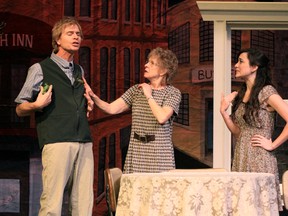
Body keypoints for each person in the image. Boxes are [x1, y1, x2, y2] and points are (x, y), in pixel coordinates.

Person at [15, 17, 94, 215]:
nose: (76, 37)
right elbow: (19, 108)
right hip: (57, 140)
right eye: (70, 33)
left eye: (78, 34)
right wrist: (36, 104)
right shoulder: (41, 68)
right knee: (52, 201)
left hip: (83, 140)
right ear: (58, 39)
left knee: (83, 203)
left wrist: (87, 103)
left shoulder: (79, 70)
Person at [84, 47, 181, 174]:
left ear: (163, 71)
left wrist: (149, 95)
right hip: (137, 150)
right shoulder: (136, 90)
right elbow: (111, 108)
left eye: (152, 63)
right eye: (147, 61)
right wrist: (93, 96)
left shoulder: (172, 93)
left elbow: (162, 117)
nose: (146, 65)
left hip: (159, 152)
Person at [220, 48, 288, 211]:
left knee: (259, 207)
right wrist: (223, 112)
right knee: (242, 207)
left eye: (240, 61)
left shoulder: (266, 91)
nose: (236, 65)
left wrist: (272, 145)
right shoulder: (242, 93)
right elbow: (239, 132)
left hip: (260, 159)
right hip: (241, 156)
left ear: (254, 67)